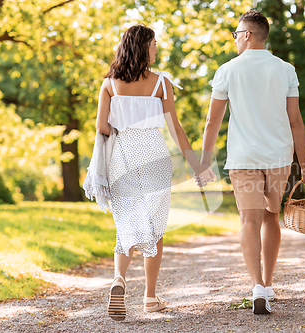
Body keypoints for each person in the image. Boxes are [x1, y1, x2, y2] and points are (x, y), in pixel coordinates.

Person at [199, 11, 305, 314]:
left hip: (244, 158)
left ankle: (257, 287)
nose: (236, 39)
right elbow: (296, 122)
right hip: (279, 158)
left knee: (249, 220)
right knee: (271, 217)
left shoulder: (227, 70)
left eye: (236, 34)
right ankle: (267, 282)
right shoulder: (286, 70)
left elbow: (213, 122)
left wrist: (203, 162)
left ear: (248, 35)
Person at [93, 25, 214, 321]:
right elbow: (175, 130)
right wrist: (198, 166)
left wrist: (121, 131)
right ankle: (149, 297)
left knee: (127, 223)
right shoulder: (161, 83)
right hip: (154, 155)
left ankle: (119, 278)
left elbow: (101, 127)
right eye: (154, 44)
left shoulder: (110, 84)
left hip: (122, 156)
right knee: (154, 227)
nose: (157, 49)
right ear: (143, 47)